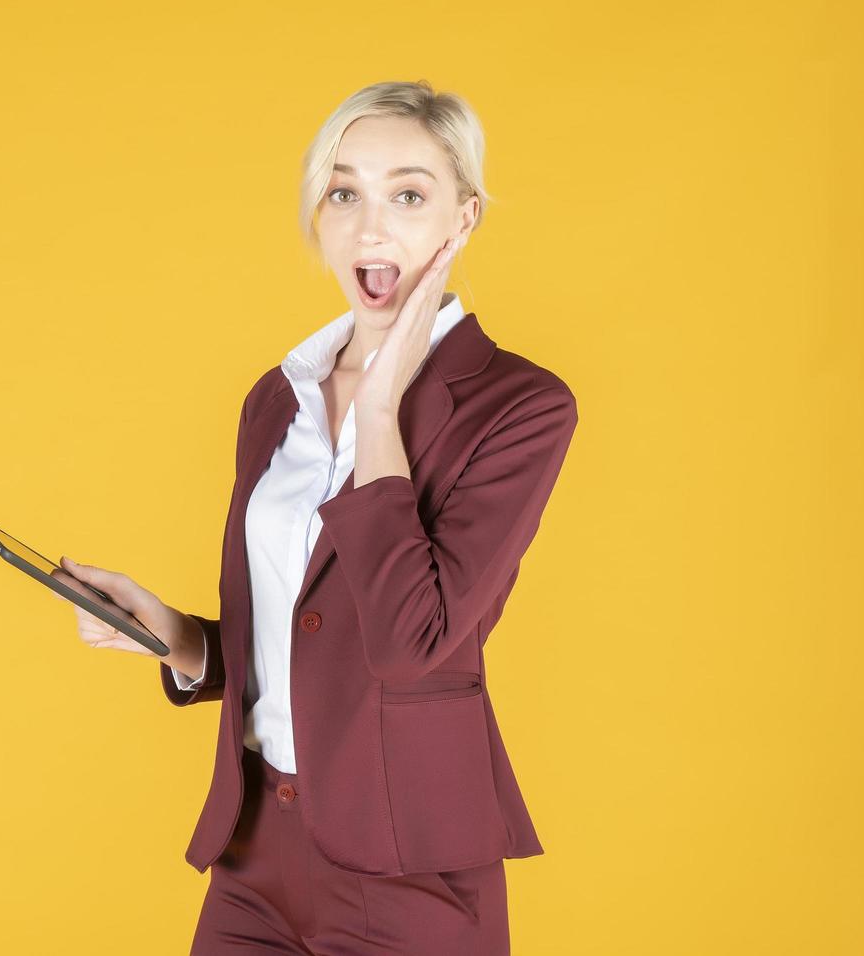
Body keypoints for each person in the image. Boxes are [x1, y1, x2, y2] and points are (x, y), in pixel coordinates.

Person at [50, 79, 579, 955]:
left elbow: (412, 642)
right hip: (256, 851)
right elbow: (310, 633)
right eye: (344, 193)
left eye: (408, 194)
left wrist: (379, 414)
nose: (371, 227)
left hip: (407, 868)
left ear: (464, 219)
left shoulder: (518, 407)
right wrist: (177, 637)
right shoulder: (277, 399)